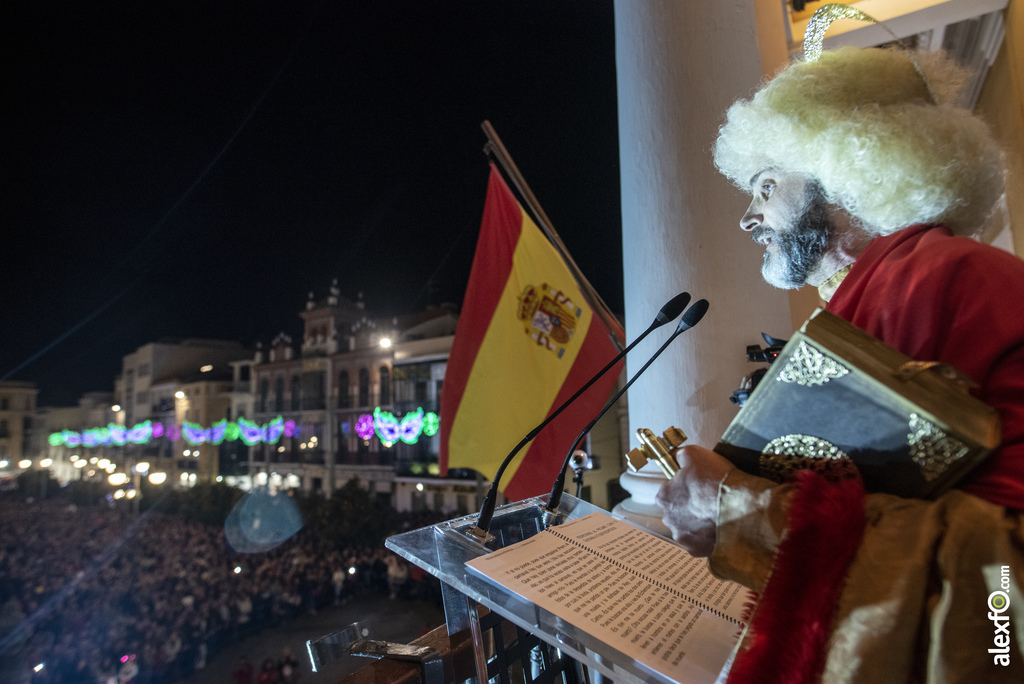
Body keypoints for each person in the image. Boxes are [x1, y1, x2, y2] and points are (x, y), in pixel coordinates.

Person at [656, 45, 1024, 682]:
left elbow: (1002, 594)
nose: (748, 217)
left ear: (848, 170)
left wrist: (737, 514)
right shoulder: (886, 290)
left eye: (767, 187)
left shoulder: (939, 281)